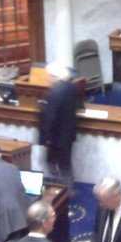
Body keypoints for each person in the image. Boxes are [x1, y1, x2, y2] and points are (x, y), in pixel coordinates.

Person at [39, 62, 80, 191]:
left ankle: (65, 190)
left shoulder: (54, 92)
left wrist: (44, 139)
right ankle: (68, 189)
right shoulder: (72, 87)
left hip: (56, 137)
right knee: (66, 164)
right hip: (69, 133)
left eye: (48, 75)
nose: (47, 78)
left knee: (52, 164)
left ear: (53, 76)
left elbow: (49, 118)